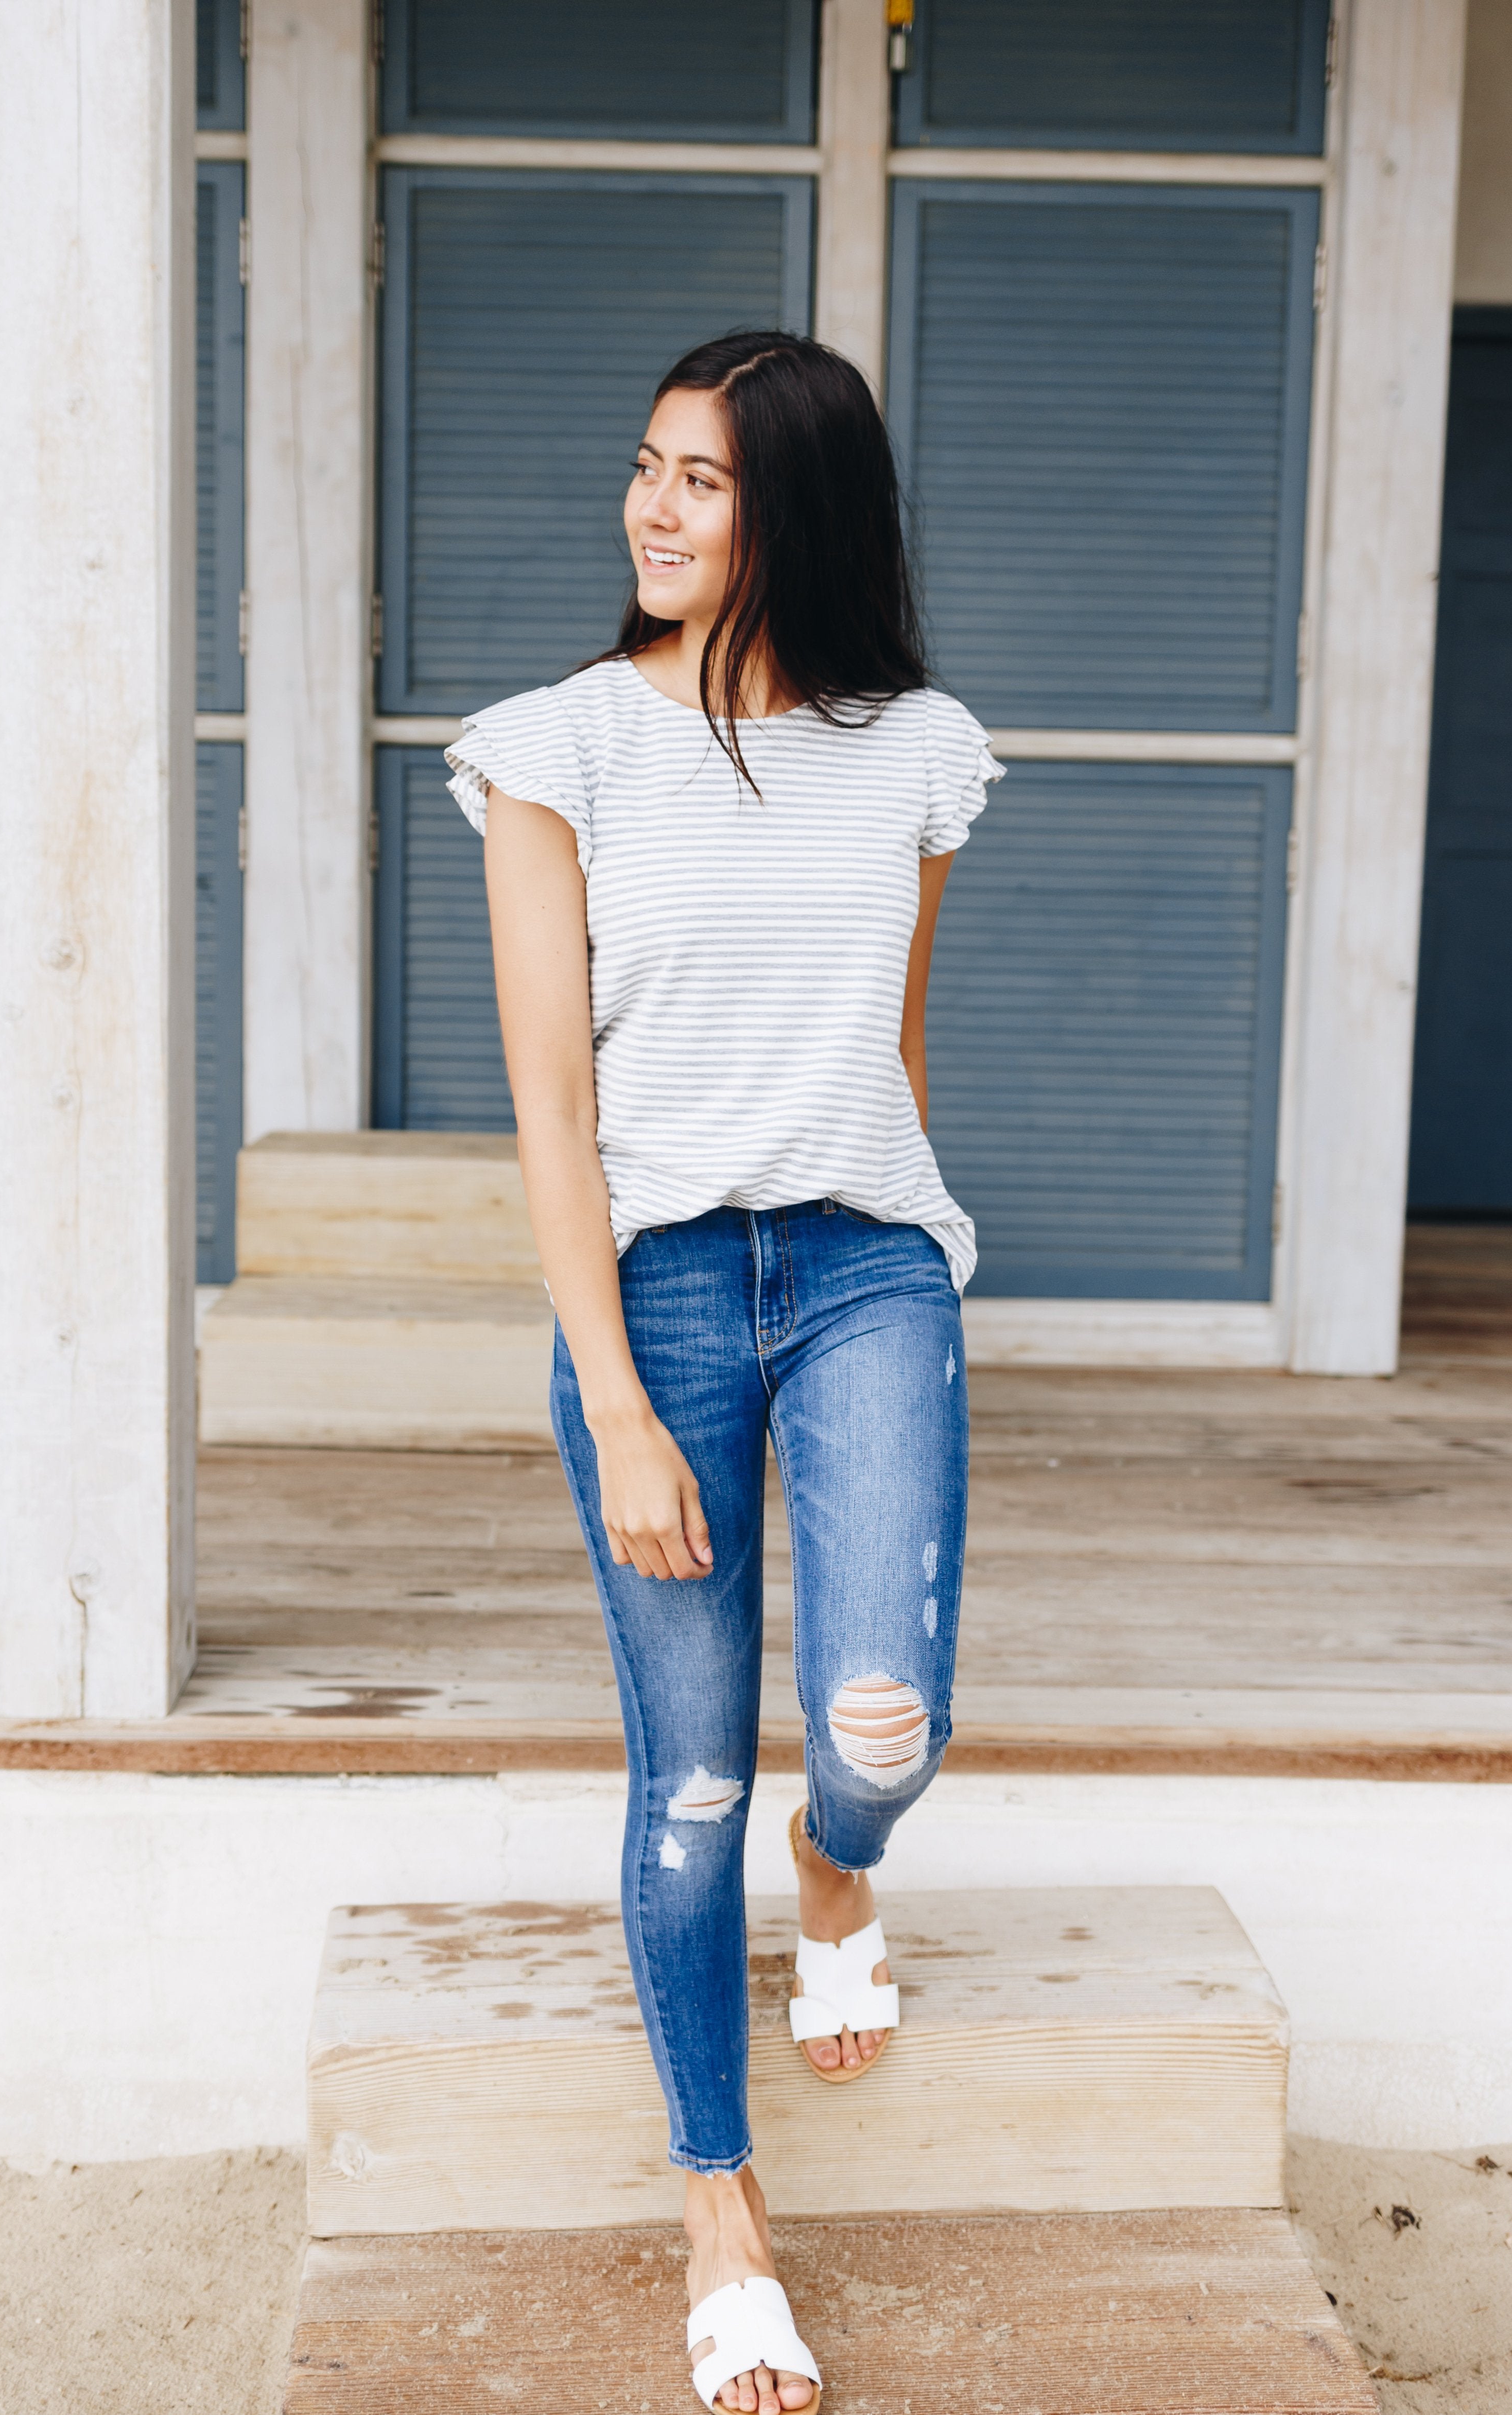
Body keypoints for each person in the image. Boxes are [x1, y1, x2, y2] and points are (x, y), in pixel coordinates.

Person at [446, 330, 1002, 2412]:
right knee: (687, 1769)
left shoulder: (914, 752)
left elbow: (892, 1047)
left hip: (867, 1266)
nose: (652, 508)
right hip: (660, 1291)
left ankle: (837, 1864)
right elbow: (551, 1111)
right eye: (646, 467)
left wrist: (896, 1234)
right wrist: (609, 1396)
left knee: (881, 1724)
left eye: (702, 478)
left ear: (798, 509)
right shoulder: (557, 749)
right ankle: (720, 2208)